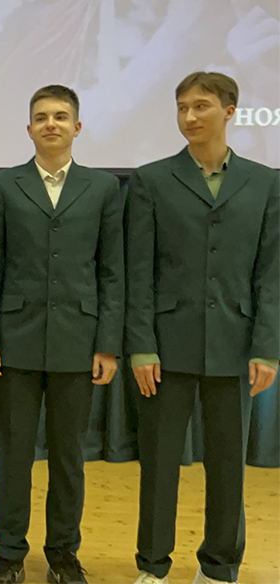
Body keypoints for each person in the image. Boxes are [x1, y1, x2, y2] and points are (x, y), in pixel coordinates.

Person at [126, 72, 278, 584]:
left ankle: (219, 566)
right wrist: (141, 345)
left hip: (235, 342)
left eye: (202, 106)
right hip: (165, 345)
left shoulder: (265, 182)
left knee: (228, 464)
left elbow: (271, 273)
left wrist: (267, 348)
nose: (190, 117)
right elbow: (138, 270)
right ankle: (153, 566)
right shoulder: (151, 180)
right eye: (182, 107)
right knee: (160, 463)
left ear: (230, 111)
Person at [0, 85, 124, 584]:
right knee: (13, 455)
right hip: (13, 340)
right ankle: (8, 554)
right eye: (41, 117)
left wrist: (108, 344)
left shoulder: (103, 188)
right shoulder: (2, 186)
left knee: (68, 457)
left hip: (79, 341)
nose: (50, 124)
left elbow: (112, 271)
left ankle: (62, 554)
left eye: (60, 116)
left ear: (77, 127)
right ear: (29, 128)